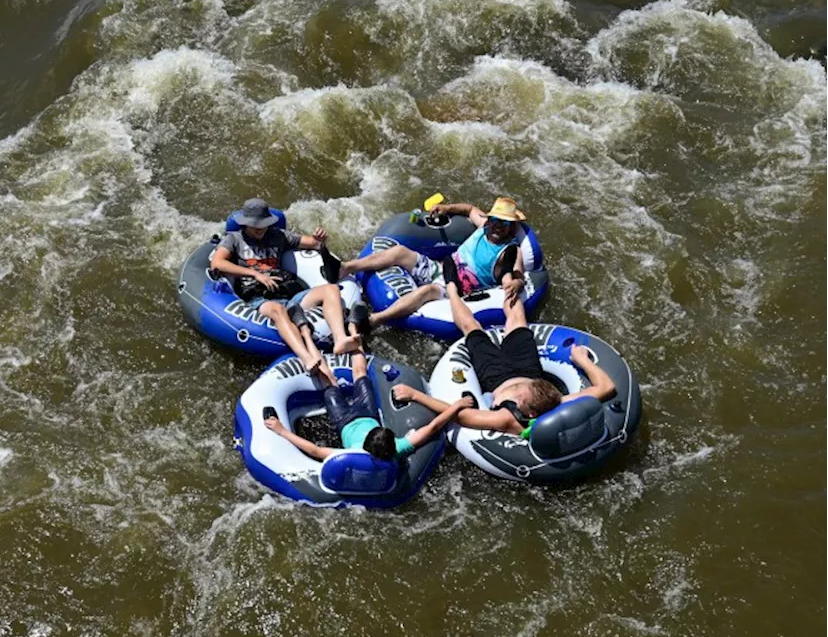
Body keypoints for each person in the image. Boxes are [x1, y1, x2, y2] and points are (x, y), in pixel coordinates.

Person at [391, 273, 617, 437]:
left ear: (531, 413)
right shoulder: (559, 401)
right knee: (518, 321)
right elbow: (606, 388)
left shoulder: (508, 419)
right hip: (528, 369)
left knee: (472, 328)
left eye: (521, 399)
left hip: (495, 376)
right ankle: (508, 283)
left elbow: (463, 416)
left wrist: (415, 395)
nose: (518, 395)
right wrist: (582, 360)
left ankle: (451, 292)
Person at [264, 317, 474, 464]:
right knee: (358, 372)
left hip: (345, 419)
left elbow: (315, 451)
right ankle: (353, 332)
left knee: (327, 378)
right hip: (367, 412)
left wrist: (282, 430)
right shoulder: (398, 449)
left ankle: (306, 334)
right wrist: (457, 406)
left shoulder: (357, 454)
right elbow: (434, 427)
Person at [211, 198, 359, 372]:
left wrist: (319, 238)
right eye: (255, 225)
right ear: (245, 223)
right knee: (277, 310)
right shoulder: (234, 239)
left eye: (263, 224)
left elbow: (312, 243)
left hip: (287, 294)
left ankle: (340, 339)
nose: (260, 229)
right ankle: (306, 358)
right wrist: (255, 274)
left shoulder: (278, 235)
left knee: (331, 289)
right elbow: (217, 262)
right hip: (258, 297)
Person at [337, 196, 531, 325]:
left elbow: (516, 275)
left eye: (504, 223)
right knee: (399, 252)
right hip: (441, 267)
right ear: (489, 220)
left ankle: (373, 320)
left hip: (457, 287)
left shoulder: (510, 250)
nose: (498, 226)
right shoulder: (483, 227)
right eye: (496, 220)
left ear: (512, 226)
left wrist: (516, 283)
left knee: (427, 291)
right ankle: (345, 268)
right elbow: (469, 209)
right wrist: (446, 208)